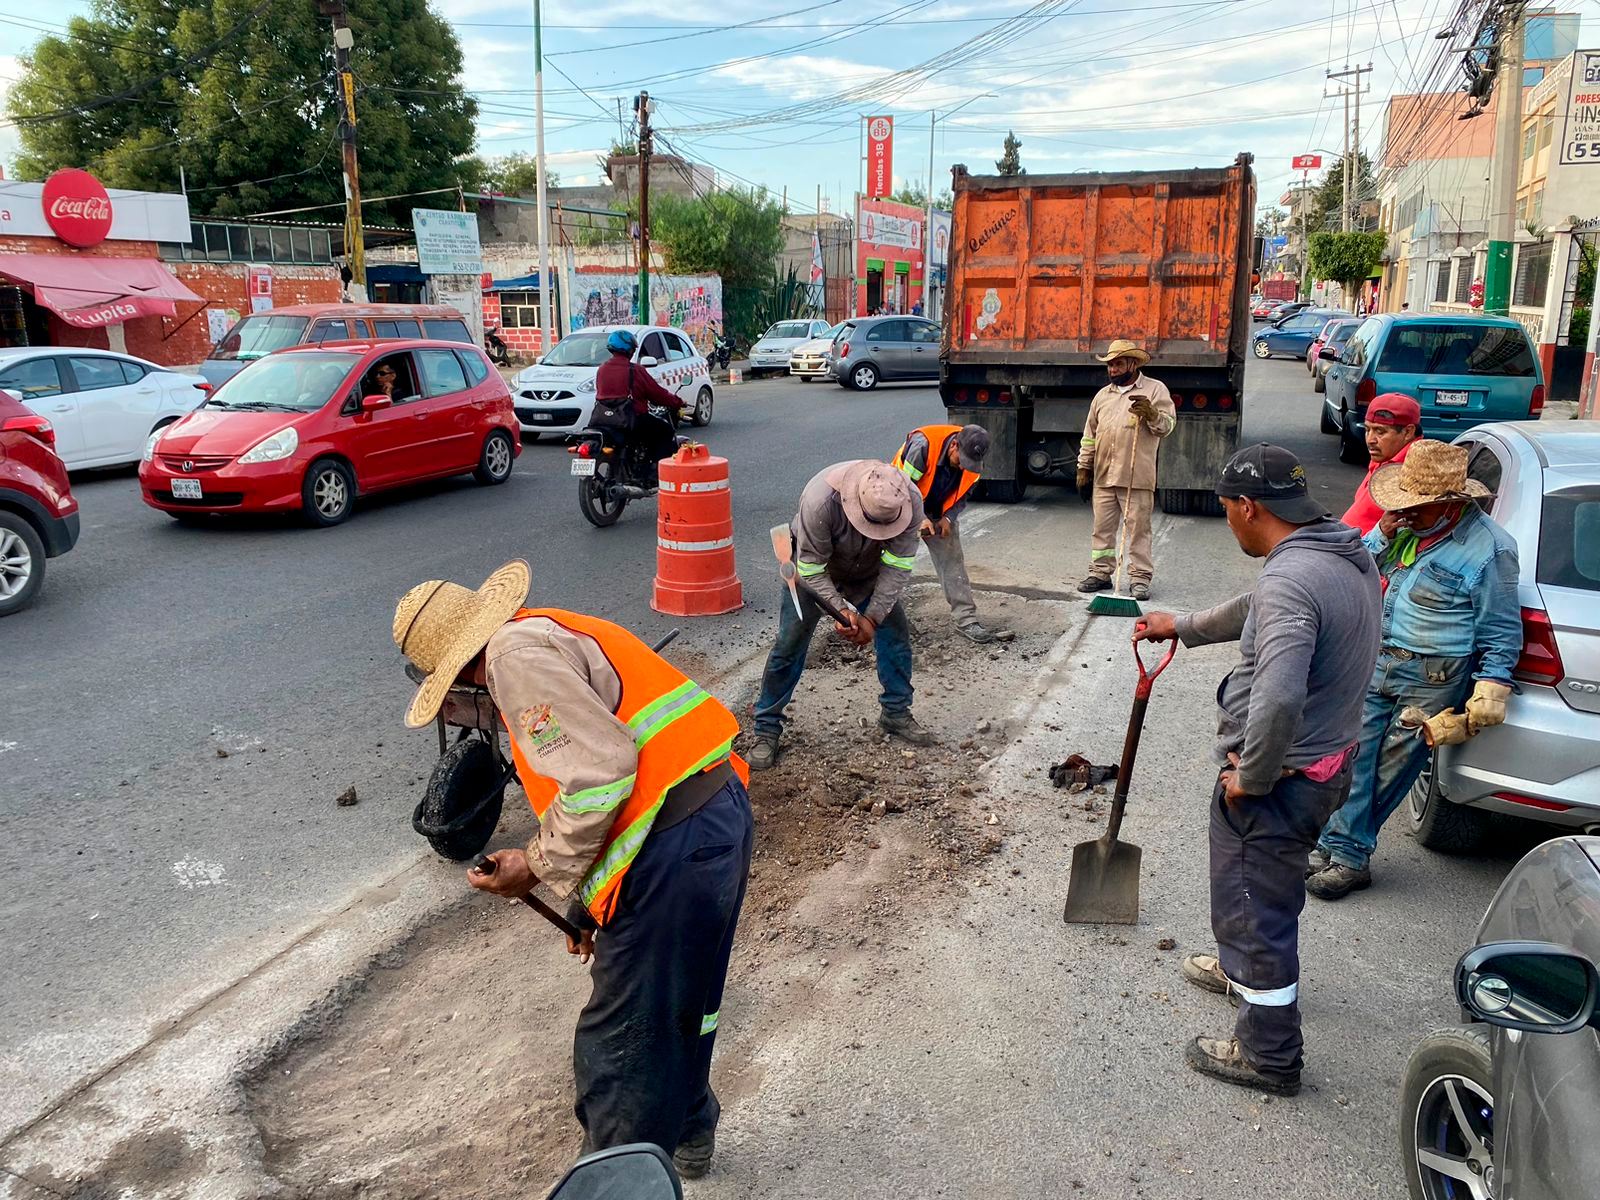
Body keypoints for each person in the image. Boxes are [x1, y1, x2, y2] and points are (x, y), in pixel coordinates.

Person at [392, 560, 753, 1179]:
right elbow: (621, 780)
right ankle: (690, 1130)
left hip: (676, 847)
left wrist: (532, 865)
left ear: (455, 675)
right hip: (711, 820)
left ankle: (617, 1183)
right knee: (684, 1001)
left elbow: (600, 777)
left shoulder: (512, 660)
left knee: (618, 1049)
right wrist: (588, 905)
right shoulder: (541, 631)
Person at [1135, 444, 1380, 1096]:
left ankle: (1268, 1053)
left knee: (1254, 907)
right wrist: (1179, 626)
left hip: (1283, 782)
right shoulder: (1338, 551)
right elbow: (1254, 608)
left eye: (1225, 511)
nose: (1227, 522)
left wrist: (1254, 778)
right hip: (1329, 765)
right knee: (1265, 893)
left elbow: (1279, 696)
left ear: (1249, 507)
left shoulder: (1292, 580)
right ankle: (1241, 966)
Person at [1307, 440, 1520, 900]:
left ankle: (1347, 855)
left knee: (1392, 769)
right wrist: (1383, 532)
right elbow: (1356, 567)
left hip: (1433, 677)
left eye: (1418, 506)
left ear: (1451, 502)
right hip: (1379, 657)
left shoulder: (1491, 549)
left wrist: (1492, 684)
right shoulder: (1404, 527)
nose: (1408, 512)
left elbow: (1501, 628)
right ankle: (1335, 843)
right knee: (1352, 756)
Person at [749, 460, 931, 770]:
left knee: (895, 633)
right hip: (814, 573)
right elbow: (810, 568)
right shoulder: (820, 501)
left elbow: (898, 565)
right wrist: (842, 610)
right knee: (789, 644)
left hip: (868, 571)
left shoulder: (909, 500)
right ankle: (766, 729)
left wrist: (872, 618)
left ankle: (896, 713)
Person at [891, 423, 1013, 644]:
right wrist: (920, 518)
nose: (962, 466)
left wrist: (948, 517)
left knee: (953, 563)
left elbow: (965, 493)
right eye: (960, 460)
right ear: (954, 445)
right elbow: (902, 488)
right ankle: (886, 620)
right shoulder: (923, 445)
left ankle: (966, 621)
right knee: (892, 562)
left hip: (938, 510)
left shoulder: (973, 461)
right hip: (899, 507)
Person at [1075, 339, 1177, 600]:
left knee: (1138, 530)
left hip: (1136, 477)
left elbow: (1167, 427)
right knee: (1102, 529)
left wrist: (1152, 414)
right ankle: (1100, 573)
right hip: (1103, 475)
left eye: (1118, 364)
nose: (1112, 369)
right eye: (1109, 365)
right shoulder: (1102, 396)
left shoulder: (1155, 390)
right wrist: (1084, 466)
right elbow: (1090, 435)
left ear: (1133, 363)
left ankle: (1140, 578)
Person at [595, 328, 684, 468]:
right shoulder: (635, 370)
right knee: (665, 431)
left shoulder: (602, 369)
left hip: (604, 420)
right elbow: (657, 394)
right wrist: (677, 402)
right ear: (630, 350)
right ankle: (658, 471)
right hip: (631, 420)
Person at [1341, 393, 1422, 533]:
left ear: (1408, 432)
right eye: (1367, 430)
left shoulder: (1416, 471)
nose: (1370, 440)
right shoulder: (1383, 457)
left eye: (1380, 431)